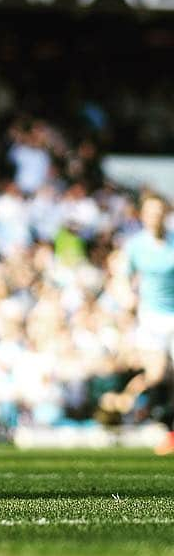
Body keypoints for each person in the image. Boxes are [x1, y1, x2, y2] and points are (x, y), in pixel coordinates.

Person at [123, 194, 174, 455]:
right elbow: (124, 277)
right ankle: (169, 429)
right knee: (157, 376)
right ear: (143, 216)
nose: (154, 217)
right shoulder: (135, 245)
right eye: (149, 212)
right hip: (151, 317)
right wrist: (128, 297)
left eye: (159, 212)